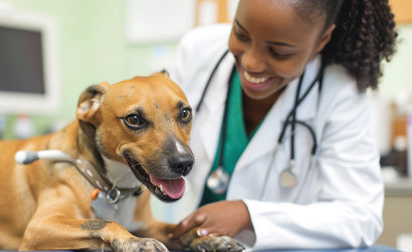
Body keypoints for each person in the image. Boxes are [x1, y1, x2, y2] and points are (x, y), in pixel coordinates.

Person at [158, 0, 397, 250]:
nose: (251, 63)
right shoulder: (198, 52)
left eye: (279, 52)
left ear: (321, 40)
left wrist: (250, 216)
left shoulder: (339, 91)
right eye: (240, 33)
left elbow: (360, 217)